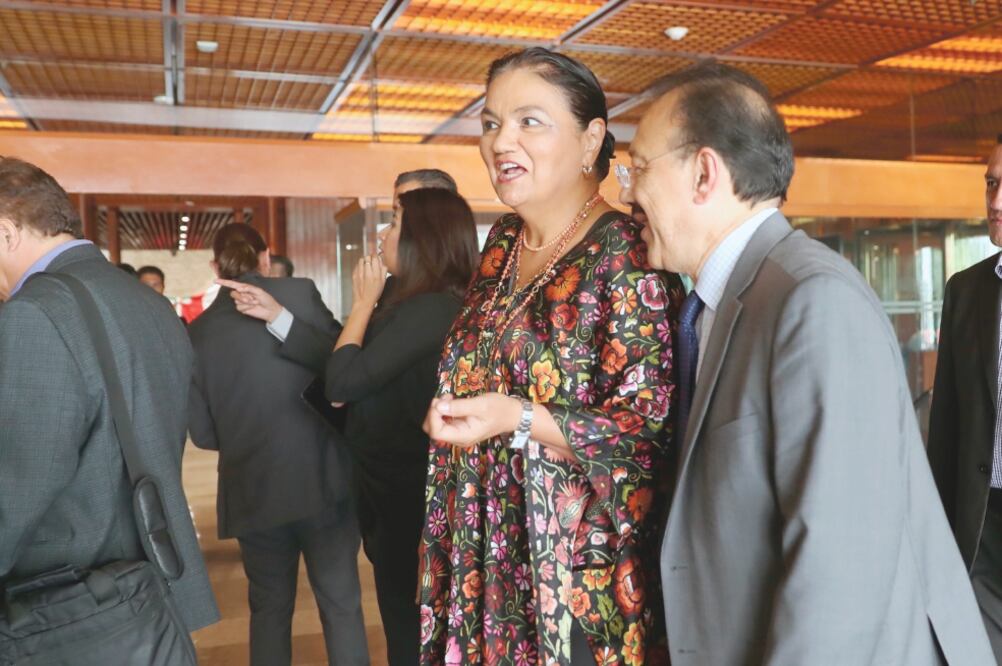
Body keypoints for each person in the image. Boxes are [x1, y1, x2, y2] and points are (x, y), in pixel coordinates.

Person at [619, 60, 993, 664]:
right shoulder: (721, 301)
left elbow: (840, 570)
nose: (626, 192)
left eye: (637, 169)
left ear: (704, 174)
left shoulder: (810, 300)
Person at [420, 48, 683, 664]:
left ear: (592, 140)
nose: (500, 141)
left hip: (572, 573)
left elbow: (647, 430)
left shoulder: (626, 255)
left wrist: (515, 416)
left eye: (529, 121)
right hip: (482, 544)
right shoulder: (502, 245)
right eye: (490, 124)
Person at [219, 186, 480, 665]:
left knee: (408, 628)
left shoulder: (430, 309)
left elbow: (346, 377)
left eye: (395, 221)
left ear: (422, 239)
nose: (383, 233)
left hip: (411, 497)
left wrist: (362, 302)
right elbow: (354, 360)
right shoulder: (411, 303)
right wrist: (279, 317)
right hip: (393, 493)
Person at [0, 158, 219, 638]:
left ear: (7, 232)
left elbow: (18, 486)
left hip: (72, 597)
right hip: (149, 583)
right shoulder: (148, 302)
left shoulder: (35, 313)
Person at [187, 223, 369, 666]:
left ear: (215, 267)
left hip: (253, 491)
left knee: (268, 609)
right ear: (266, 258)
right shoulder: (301, 294)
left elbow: (205, 434)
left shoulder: (197, 334)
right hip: (322, 480)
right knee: (341, 605)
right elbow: (343, 365)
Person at [929, 136, 1002, 659]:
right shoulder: (965, 290)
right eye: (992, 183)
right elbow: (946, 427)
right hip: (982, 527)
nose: (996, 201)